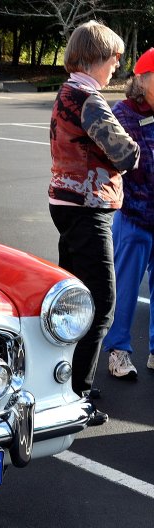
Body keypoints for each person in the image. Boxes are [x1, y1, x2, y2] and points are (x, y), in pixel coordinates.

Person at [48, 20, 140, 425]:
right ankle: (77, 396)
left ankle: (64, 383)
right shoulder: (89, 97)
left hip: (64, 200)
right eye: (114, 59)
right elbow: (126, 154)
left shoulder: (67, 91)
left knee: (71, 299)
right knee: (100, 303)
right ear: (96, 57)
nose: (117, 68)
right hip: (87, 205)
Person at [103, 48, 154, 380]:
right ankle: (118, 352)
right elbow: (132, 164)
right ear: (146, 79)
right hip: (135, 215)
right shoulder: (123, 113)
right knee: (125, 287)